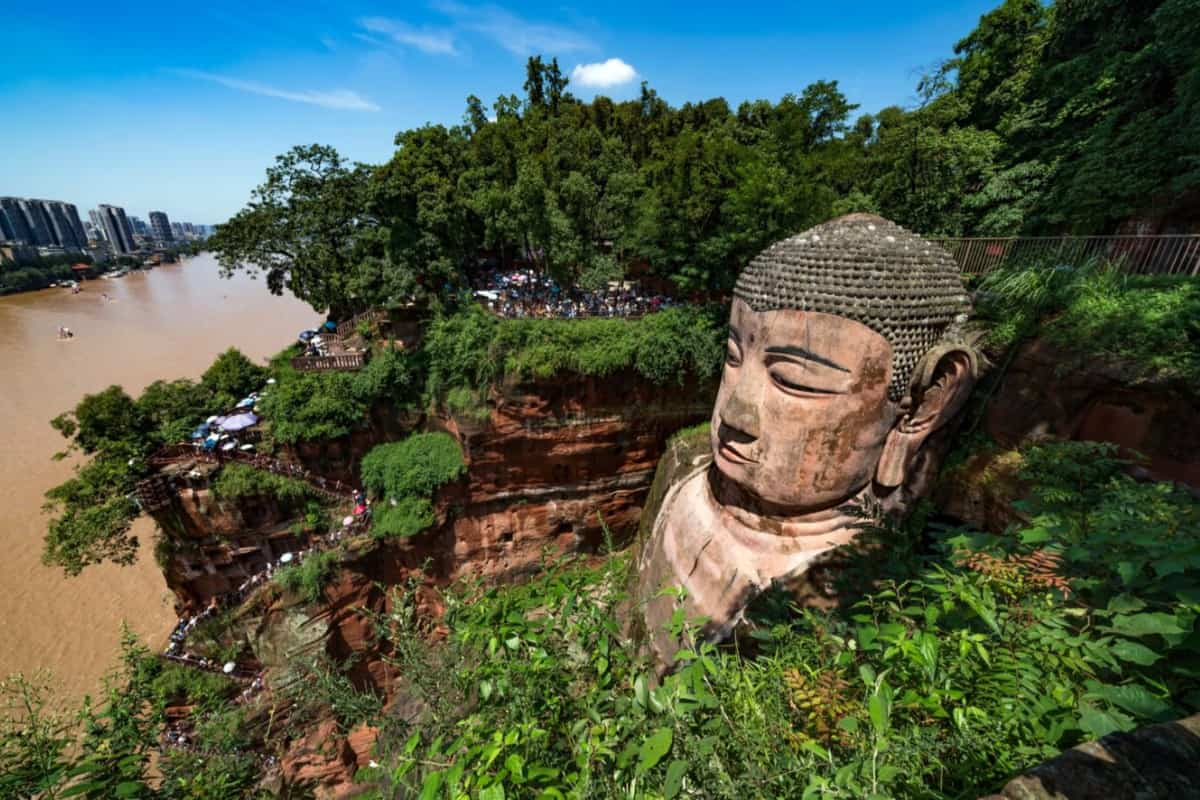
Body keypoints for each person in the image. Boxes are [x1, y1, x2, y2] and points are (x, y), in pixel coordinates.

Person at [634, 214, 977, 670]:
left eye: (793, 380)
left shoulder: (854, 588)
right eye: (733, 359)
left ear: (924, 403)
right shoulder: (684, 479)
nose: (733, 415)